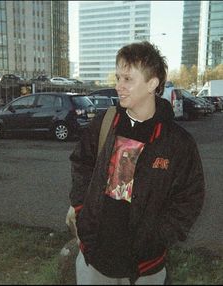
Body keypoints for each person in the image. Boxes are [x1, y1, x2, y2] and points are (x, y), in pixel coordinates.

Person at [67, 41, 205, 285]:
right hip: (94, 259)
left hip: (144, 267)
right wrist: (81, 209)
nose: (118, 86)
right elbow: (81, 165)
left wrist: (157, 236)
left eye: (128, 79)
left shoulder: (177, 143)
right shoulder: (105, 123)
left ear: (152, 84)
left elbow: (190, 197)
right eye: (118, 77)